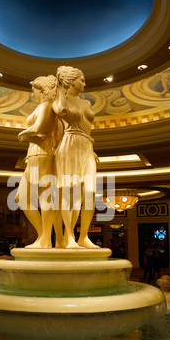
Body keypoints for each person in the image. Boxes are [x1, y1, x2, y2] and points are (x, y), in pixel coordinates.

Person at [52, 65, 99, 249]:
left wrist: (92, 149)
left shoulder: (86, 103)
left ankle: (84, 236)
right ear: (70, 81)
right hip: (69, 145)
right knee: (69, 192)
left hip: (87, 145)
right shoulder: (60, 101)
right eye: (81, 80)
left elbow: (88, 127)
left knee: (90, 192)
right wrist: (61, 90)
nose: (84, 84)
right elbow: (61, 111)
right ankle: (69, 236)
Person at [17, 75, 64, 248]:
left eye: (33, 91)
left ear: (42, 90)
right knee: (21, 197)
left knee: (44, 195)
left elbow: (40, 128)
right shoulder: (41, 106)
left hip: (42, 153)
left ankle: (45, 239)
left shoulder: (46, 105)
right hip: (35, 153)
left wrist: (23, 133)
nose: (32, 95)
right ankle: (43, 236)